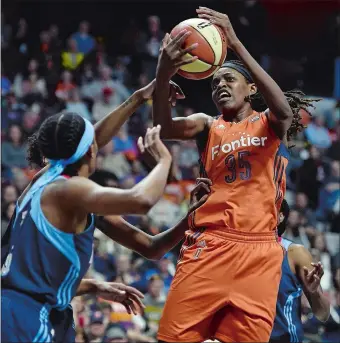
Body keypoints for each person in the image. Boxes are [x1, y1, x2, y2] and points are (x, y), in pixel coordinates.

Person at [152, 7, 318, 343]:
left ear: (251, 87)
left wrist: (236, 43)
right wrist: (164, 72)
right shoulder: (207, 125)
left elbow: (285, 110)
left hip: (259, 253)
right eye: (214, 82)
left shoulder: (271, 124)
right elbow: (165, 125)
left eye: (229, 79)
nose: (220, 86)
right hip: (209, 244)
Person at [0, 80, 183, 342]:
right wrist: (165, 161)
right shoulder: (69, 191)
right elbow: (141, 200)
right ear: (89, 151)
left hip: (29, 311)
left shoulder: (46, 178)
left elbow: (152, 247)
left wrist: (139, 97)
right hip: (28, 319)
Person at [50, 177, 211, 342]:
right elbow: (142, 201)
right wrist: (163, 158)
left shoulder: (61, 198)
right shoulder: (60, 190)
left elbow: (152, 247)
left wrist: (94, 286)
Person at [270, 199, 330, 343]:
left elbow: (323, 314)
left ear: (280, 216)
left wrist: (314, 292)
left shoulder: (295, 253)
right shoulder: (241, 252)